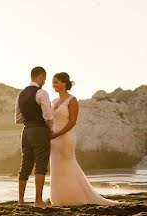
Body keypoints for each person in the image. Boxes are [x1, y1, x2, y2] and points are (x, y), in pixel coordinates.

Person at [48, 72, 119, 206]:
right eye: (53, 82)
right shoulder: (53, 101)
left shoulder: (72, 100)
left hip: (66, 137)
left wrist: (58, 134)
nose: (53, 85)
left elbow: (72, 122)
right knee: (56, 166)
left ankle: (75, 196)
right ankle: (59, 197)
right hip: (54, 139)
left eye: (56, 82)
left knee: (68, 164)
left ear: (64, 83)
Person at [15, 66, 54, 208]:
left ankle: (21, 201)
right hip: (39, 130)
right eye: (44, 78)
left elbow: (17, 118)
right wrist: (50, 129)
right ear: (40, 77)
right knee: (41, 164)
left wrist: (29, 121)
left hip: (26, 132)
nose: (44, 81)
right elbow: (48, 116)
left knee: (25, 165)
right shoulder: (41, 93)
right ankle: (38, 200)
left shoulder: (20, 95)